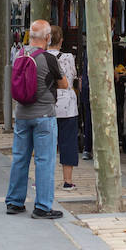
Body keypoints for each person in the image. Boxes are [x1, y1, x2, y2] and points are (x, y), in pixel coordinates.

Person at [5, 19, 67, 219]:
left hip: (22, 114)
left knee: (20, 158)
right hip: (44, 116)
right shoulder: (49, 59)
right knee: (44, 161)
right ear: (48, 38)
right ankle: (42, 207)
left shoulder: (19, 55)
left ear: (30, 37)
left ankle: (14, 202)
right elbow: (64, 84)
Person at [47, 26, 79, 191]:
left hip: (46, 104)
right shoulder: (68, 57)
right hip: (67, 105)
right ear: (61, 40)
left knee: (45, 143)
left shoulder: (40, 57)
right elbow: (72, 76)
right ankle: (67, 181)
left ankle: (43, 179)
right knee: (68, 142)